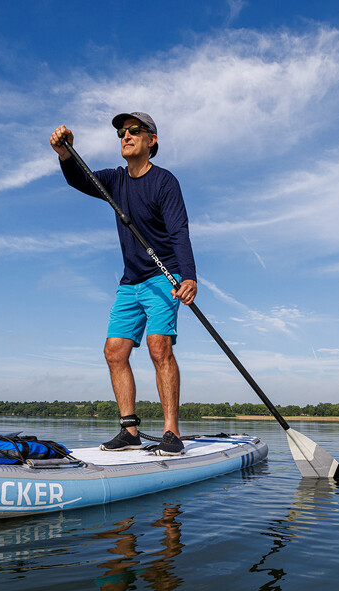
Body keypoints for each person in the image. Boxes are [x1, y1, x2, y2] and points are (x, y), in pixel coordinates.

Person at [50, 112, 198, 456]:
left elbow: (179, 231)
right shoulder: (115, 181)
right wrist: (64, 153)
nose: (126, 135)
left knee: (159, 347)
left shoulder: (164, 182)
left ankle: (171, 432)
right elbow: (79, 179)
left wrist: (188, 275)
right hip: (130, 281)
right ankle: (129, 430)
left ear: (152, 140)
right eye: (121, 132)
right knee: (114, 351)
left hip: (164, 277)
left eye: (134, 130)